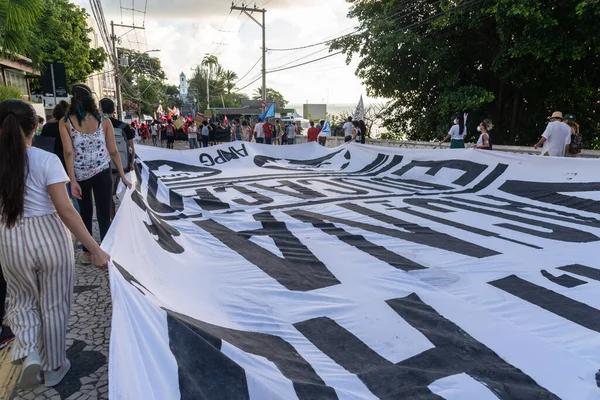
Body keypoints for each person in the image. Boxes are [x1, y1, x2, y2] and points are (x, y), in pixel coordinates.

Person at [0, 99, 111, 389]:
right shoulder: (46, 160)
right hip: (51, 238)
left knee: (20, 300)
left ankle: (28, 350)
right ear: (34, 128)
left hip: (11, 239)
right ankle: (54, 367)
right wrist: (94, 248)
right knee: (54, 305)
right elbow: (65, 209)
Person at [59, 84, 131, 265]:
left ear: (72, 100)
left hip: (80, 174)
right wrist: (122, 175)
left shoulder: (66, 121)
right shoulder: (104, 120)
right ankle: (105, 250)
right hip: (102, 172)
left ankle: (87, 253)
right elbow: (113, 151)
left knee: (85, 212)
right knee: (104, 212)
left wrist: (72, 179)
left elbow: (68, 152)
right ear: (91, 99)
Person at [98, 98, 135, 221]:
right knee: (125, 195)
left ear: (101, 108)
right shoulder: (124, 126)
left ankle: (113, 220)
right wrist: (131, 162)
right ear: (113, 109)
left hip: (107, 166)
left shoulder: (99, 125)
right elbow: (131, 147)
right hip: (124, 166)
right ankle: (127, 218)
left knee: (109, 197)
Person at [41, 100, 80, 213]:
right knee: (74, 195)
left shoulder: (47, 127)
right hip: (69, 164)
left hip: (52, 164)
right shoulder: (71, 126)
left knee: (60, 195)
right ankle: (78, 219)